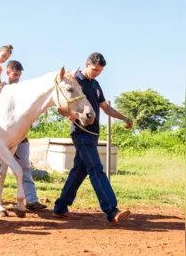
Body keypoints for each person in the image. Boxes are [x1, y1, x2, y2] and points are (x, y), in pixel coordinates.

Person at [53, 52, 133, 223]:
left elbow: (105, 108)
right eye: (95, 69)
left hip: (93, 133)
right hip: (81, 132)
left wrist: (124, 118)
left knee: (79, 170)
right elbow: (60, 107)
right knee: (96, 168)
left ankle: (61, 207)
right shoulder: (75, 81)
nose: (97, 73)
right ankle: (111, 210)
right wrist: (71, 115)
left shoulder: (95, 85)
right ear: (87, 64)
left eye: (100, 71)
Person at [0, 60, 47, 211]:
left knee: (25, 167)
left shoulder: (21, 91)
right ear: (7, 72)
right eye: (14, 74)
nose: (17, 78)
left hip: (20, 136)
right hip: (2, 136)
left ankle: (32, 200)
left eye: (19, 75)